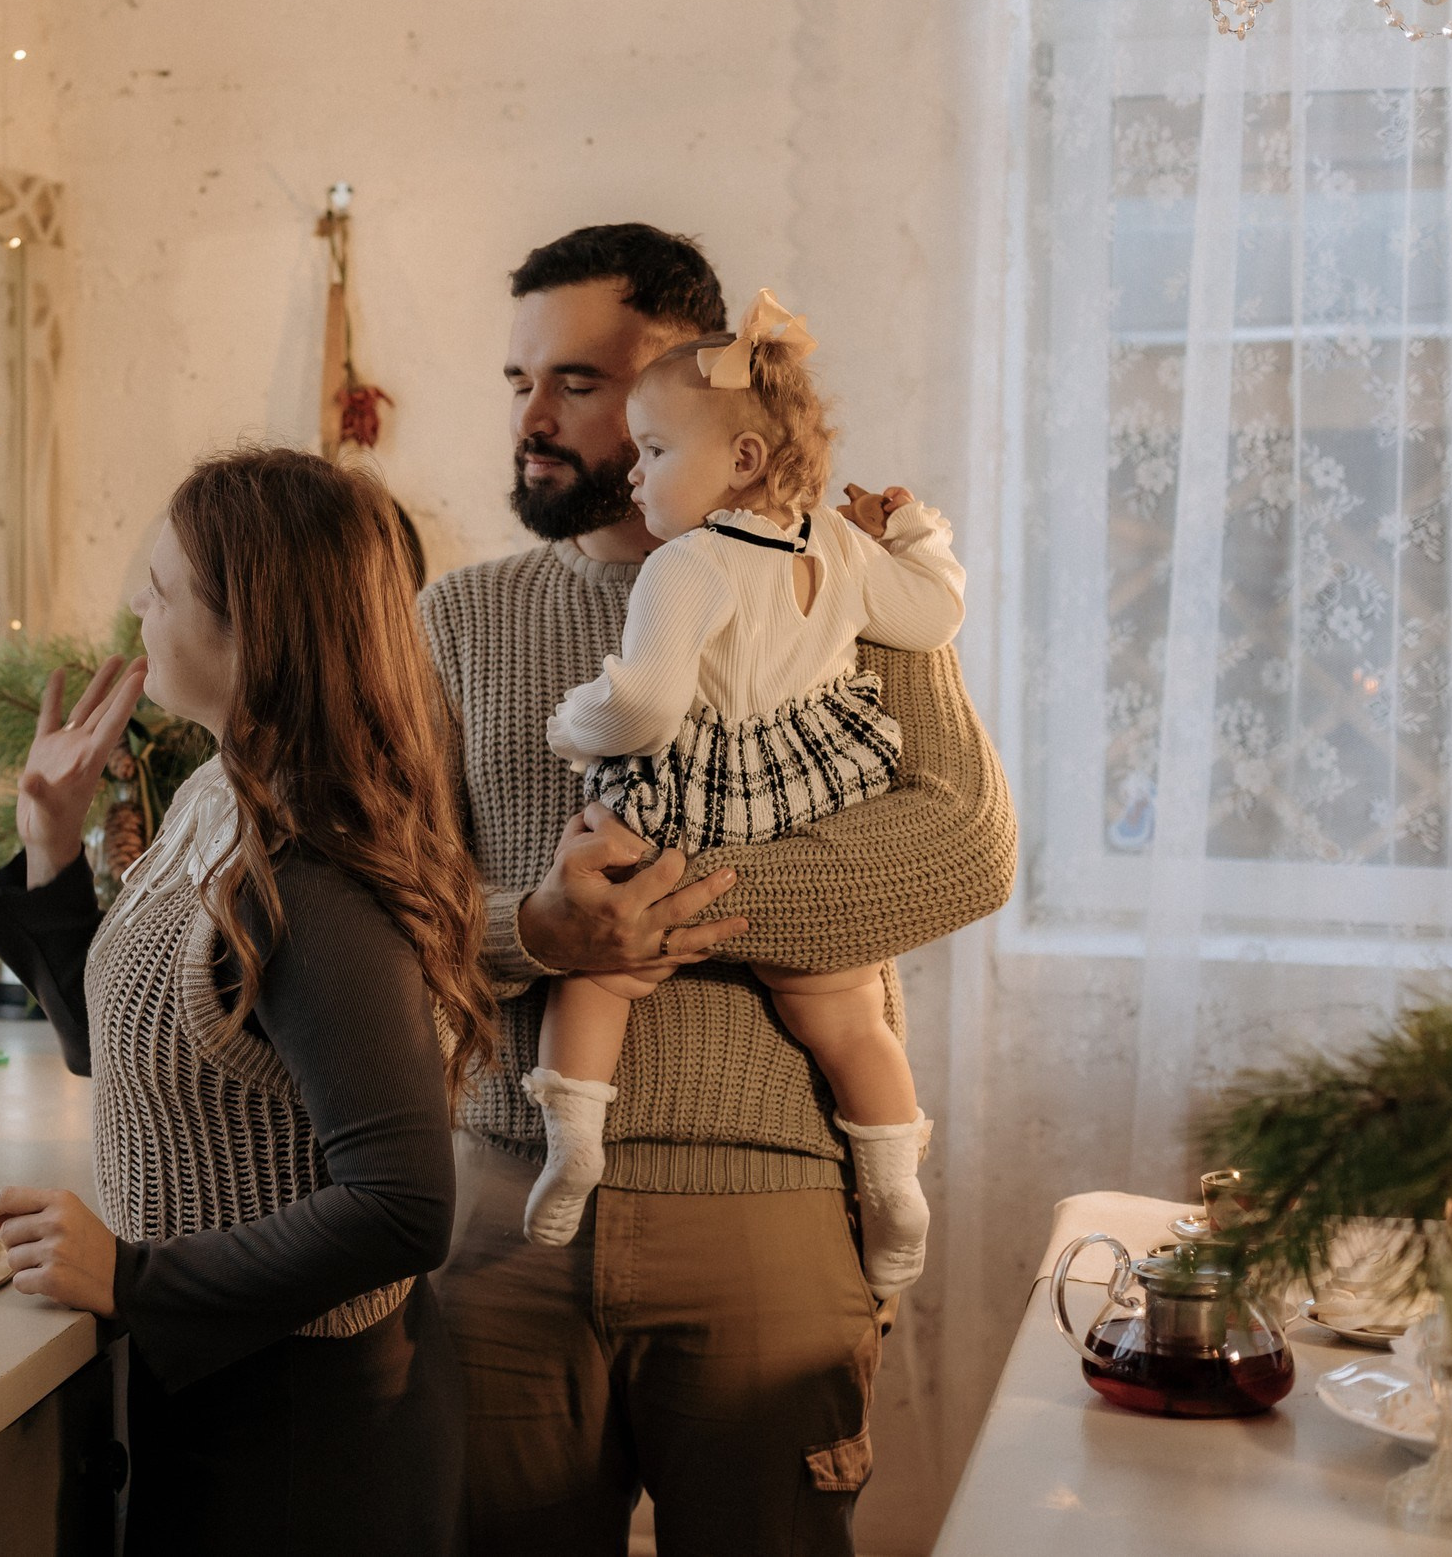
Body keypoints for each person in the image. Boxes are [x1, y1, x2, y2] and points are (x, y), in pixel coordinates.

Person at [421, 225, 1016, 1556]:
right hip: (508, 1215)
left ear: (697, 395)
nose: (532, 417)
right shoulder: (456, 619)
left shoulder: (837, 577)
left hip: (769, 1213)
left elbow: (965, 846)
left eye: (577, 382)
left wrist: (653, 905)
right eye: (518, 378)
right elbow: (382, 902)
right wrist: (536, 925)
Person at [0, 448, 489, 1556]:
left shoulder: (308, 865)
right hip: (222, 1385)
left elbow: (404, 1203)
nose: (134, 612)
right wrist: (48, 849)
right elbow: (128, 1047)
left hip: (309, 1433)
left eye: (159, 591)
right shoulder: (220, 786)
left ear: (251, 629)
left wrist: (133, 1272)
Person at [522, 289, 965, 1299]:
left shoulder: (685, 565)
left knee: (596, 972)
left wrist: (572, 720)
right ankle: (894, 1182)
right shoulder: (841, 547)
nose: (634, 475)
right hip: (808, 795)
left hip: (697, 798)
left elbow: (644, 702)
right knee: (848, 1014)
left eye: (653, 452)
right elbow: (934, 615)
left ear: (744, 461)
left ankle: (574, 1141)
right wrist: (912, 531)